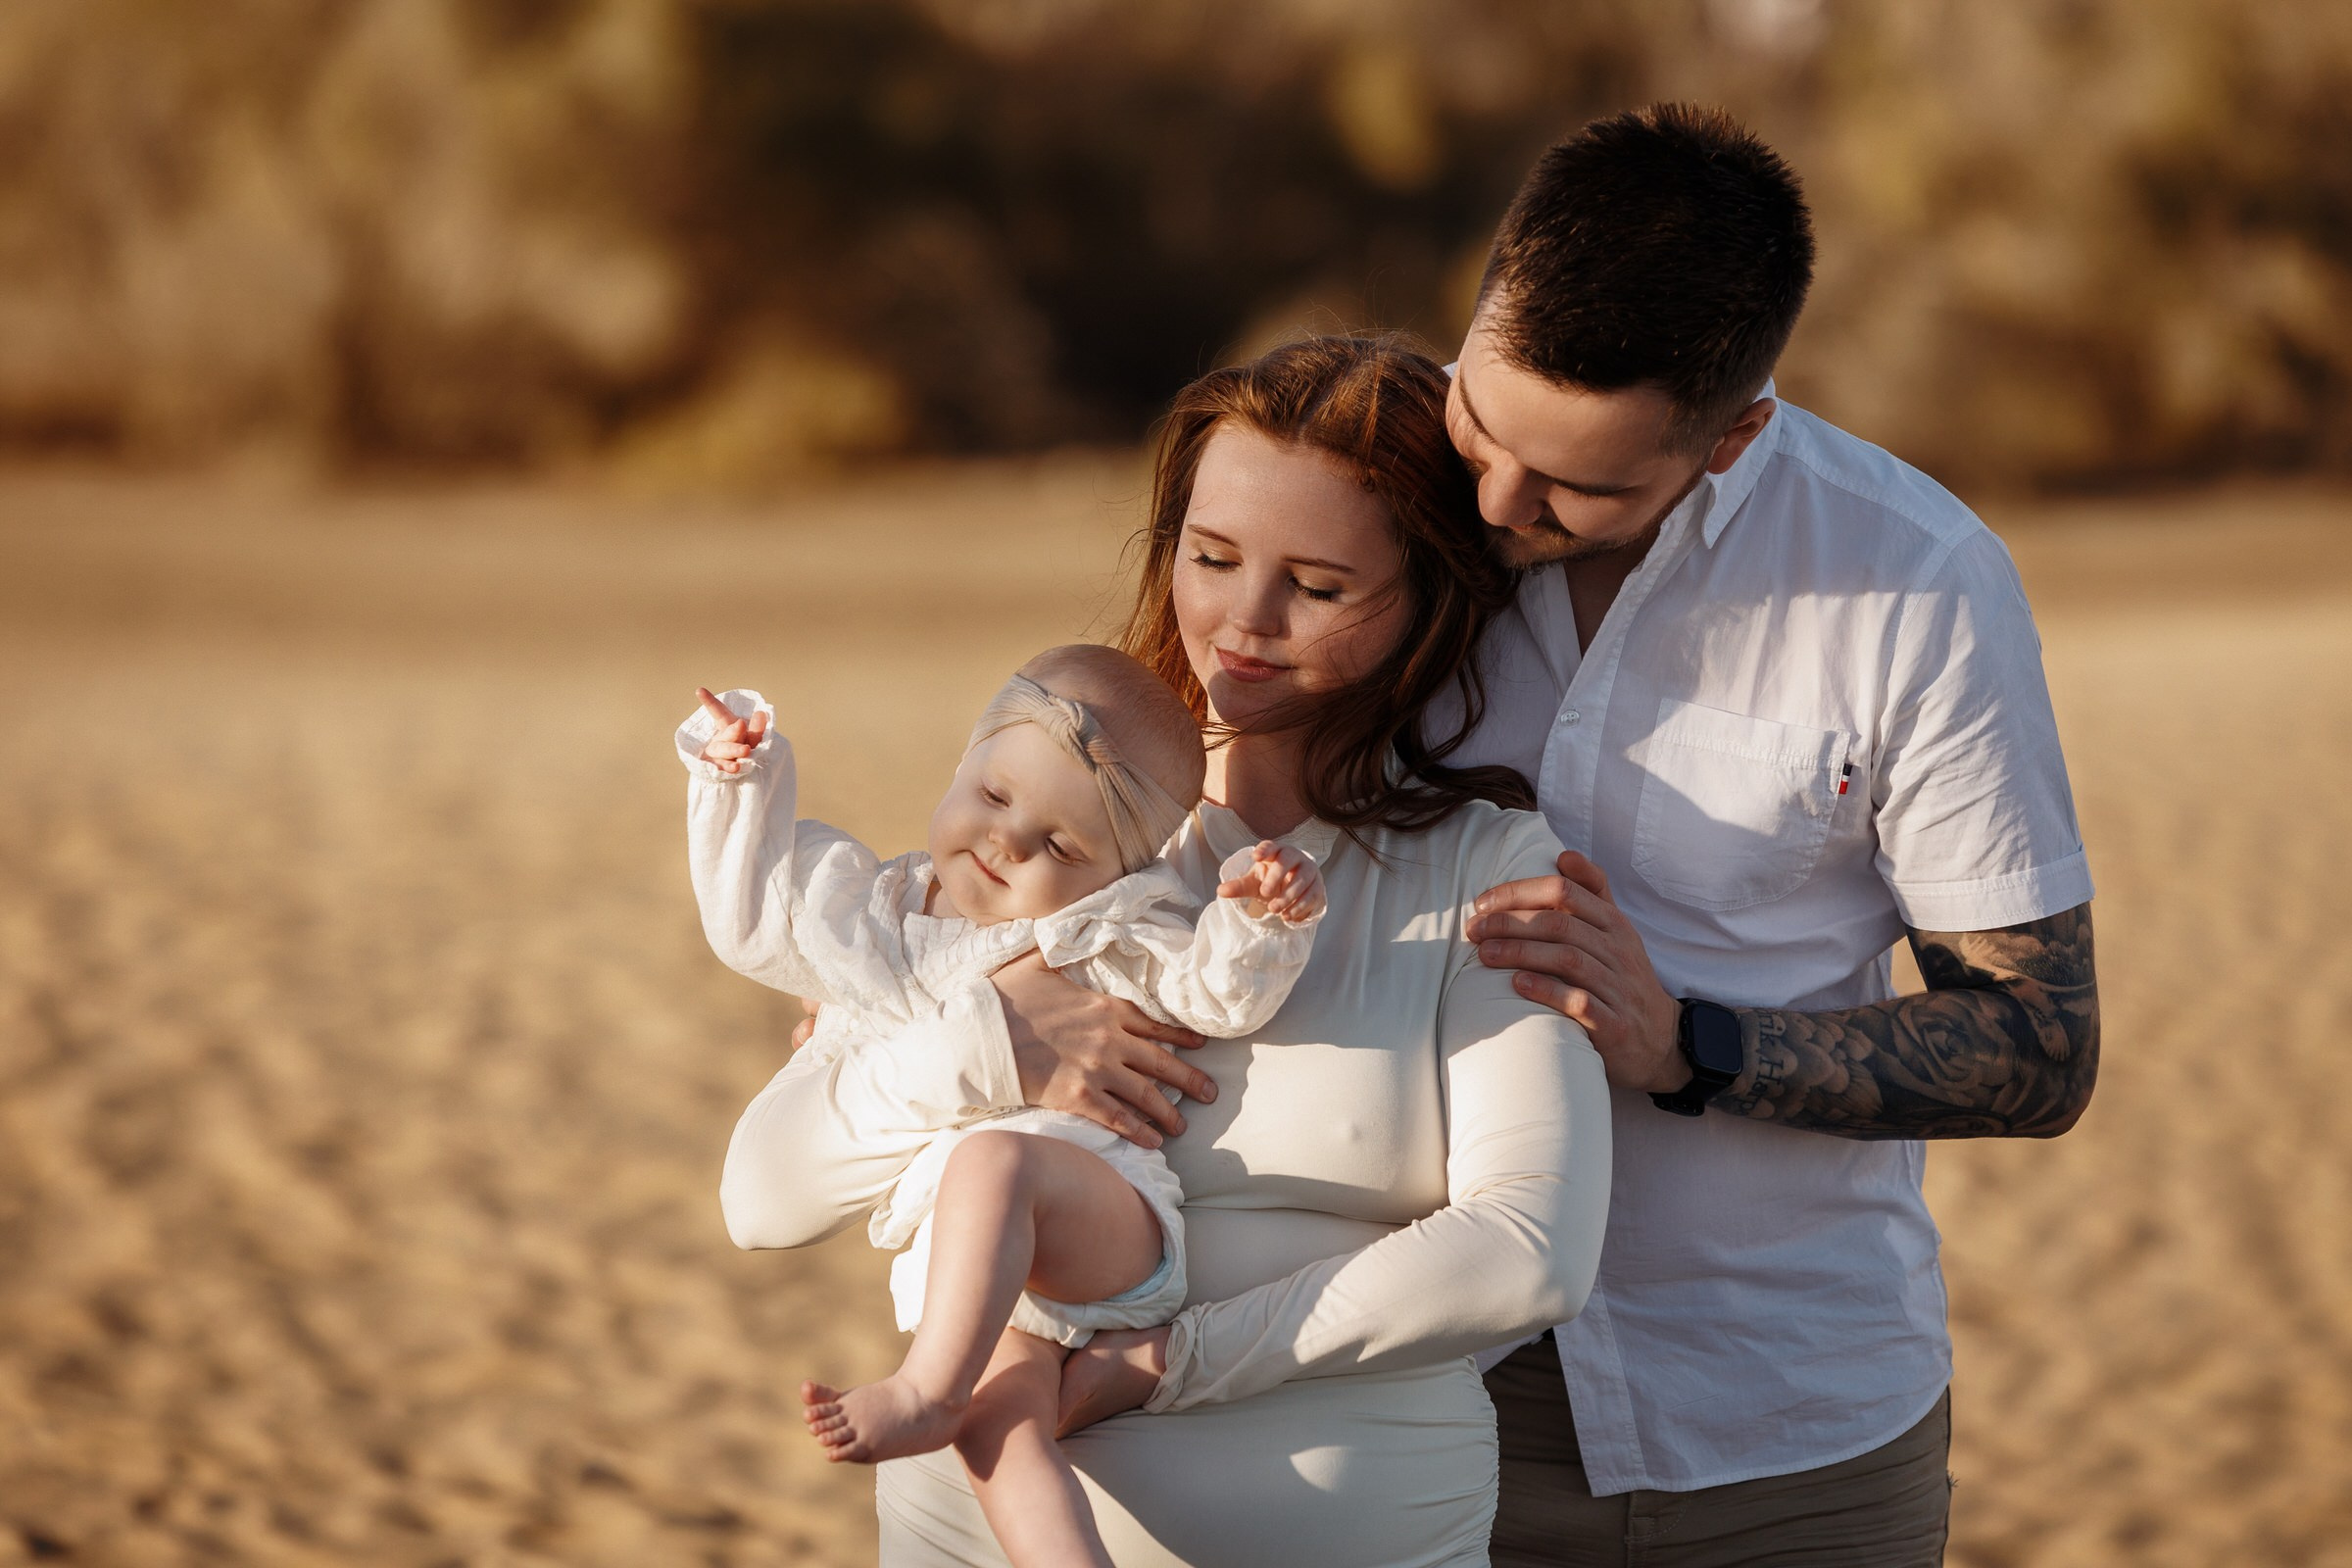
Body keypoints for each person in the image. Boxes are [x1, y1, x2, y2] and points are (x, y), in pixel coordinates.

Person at [715, 334, 1614, 1566]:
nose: (1243, 621)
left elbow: (1530, 1254)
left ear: (1426, 602)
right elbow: (763, 1198)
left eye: (1317, 583)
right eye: (1213, 556)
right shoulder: (1043, 823)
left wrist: (1155, 1367)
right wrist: (990, 1043)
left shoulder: (1484, 869)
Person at [1434, 105, 2101, 1564]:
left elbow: (2040, 1046)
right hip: (1405, 1407)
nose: (1493, 502)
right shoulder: (1360, 497)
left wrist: (1691, 1044)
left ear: (1736, 431)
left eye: (1580, 486)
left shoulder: (1914, 583)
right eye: (1482, 423)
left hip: (1788, 1439)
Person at [678, 644, 1326, 1566]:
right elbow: (755, 921)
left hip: (1094, 1218)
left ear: (1118, 872)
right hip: (984, 1280)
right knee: (1002, 1431)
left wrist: (1258, 921)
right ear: (962, 765)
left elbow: (1219, 993)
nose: (1007, 842)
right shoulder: (882, 911)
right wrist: (737, 777)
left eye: (1061, 846)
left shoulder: (1106, 929)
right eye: (992, 797)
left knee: (993, 1162)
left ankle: (927, 1390)